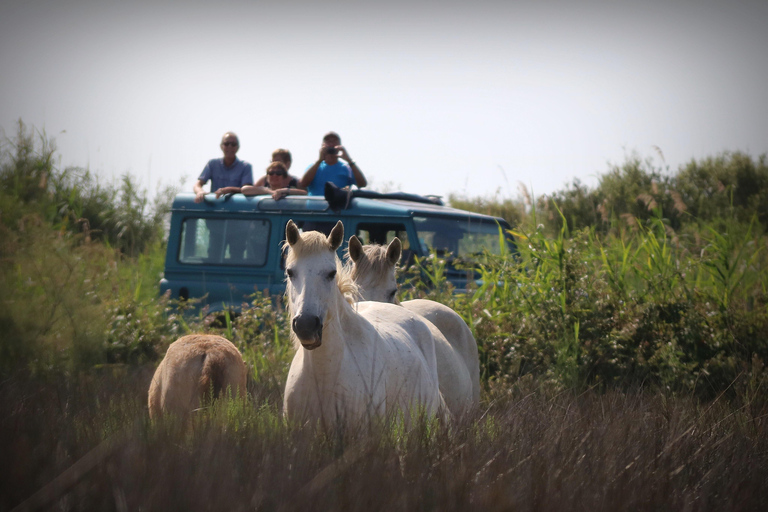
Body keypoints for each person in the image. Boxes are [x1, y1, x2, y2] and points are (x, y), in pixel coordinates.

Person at [299, 131, 367, 196]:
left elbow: (362, 184)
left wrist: (349, 161)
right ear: (323, 145)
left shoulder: (347, 168)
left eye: (334, 141)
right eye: (328, 141)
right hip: (315, 207)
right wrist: (319, 161)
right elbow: (303, 184)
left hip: (338, 207)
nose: (331, 144)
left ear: (339, 145)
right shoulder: (314, 167)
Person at [193, 132, 254, 203]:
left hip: (236, 206)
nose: (230, 147)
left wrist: (229, 190)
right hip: (215, 205)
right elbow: (197, 184)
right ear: (221, 146)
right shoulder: (212, 164)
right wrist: (200, 192)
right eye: (226, 144)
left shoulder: (246, 167)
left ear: (238, 147)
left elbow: (247, 190)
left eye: (233, 144)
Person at [242, 161, 307, 200]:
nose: (274, 175)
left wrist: (282, 191)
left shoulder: (290, 191)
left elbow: (304, 193)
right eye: (271, 173)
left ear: (284, 177)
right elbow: (244, 189)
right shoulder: (263, 190)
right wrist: (270, 192)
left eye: (278, 173)